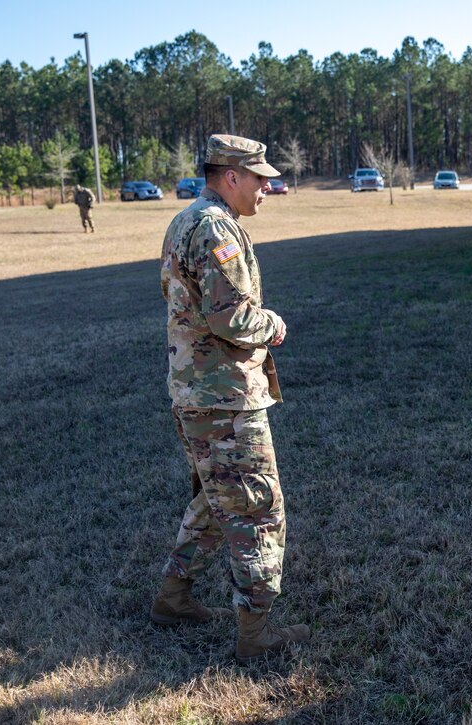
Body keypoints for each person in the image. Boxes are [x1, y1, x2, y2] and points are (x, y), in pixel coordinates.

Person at [151, 133, 310, 661]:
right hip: (224, 399)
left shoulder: (187, 219)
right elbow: (231, 317)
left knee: (218, 502)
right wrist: (273, 323)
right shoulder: (216, 228)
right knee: (257, 507)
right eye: (260, 178)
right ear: (232, 176)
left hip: (196, 392)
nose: (268, 187)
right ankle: (256, 634)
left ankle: (173, 598)